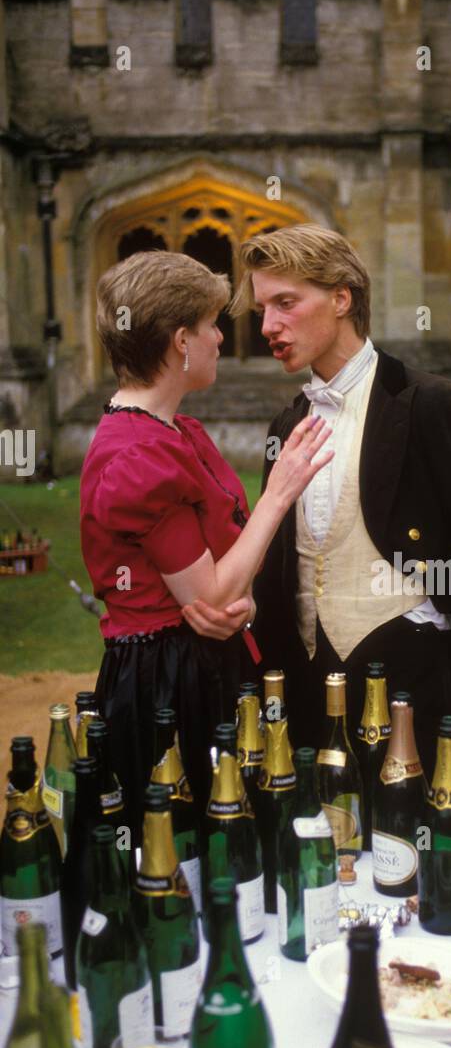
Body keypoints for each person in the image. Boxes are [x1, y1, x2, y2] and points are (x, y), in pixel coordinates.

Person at [187, 223, 451, 839]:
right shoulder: (289, 419)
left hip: (411, 680)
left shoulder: (427, 402)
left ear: (342, 298)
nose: (269, 327)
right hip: (307, 685)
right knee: (319, 865)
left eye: (287, 303)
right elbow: (292, 561)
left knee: (416, 872)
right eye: (263, 310)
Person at [80, 250, 332, 843]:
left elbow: (220, 584)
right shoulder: (140, 455)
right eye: (211, 324)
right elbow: (213, 591)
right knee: (191, 852)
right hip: (168, 681)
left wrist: (236, 602)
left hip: (198, 662)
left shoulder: (174, 431)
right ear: (179, 342)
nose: (222, 337)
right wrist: (280, 492)